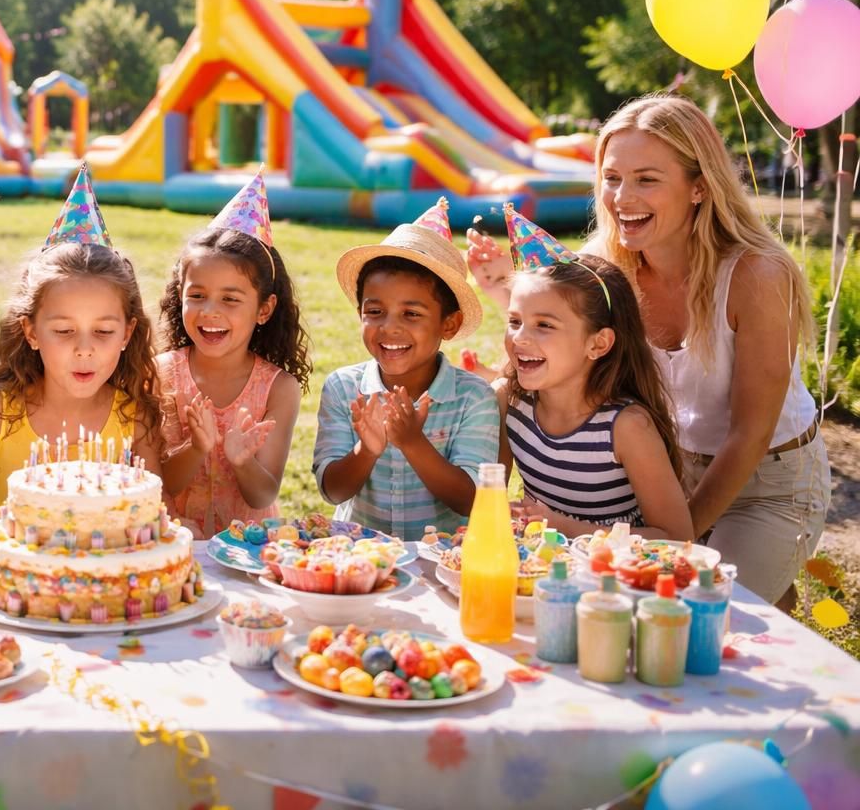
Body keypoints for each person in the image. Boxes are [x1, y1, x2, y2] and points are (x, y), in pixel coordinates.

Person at [467, 94, 830, 607]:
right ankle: (764, 585)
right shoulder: (603, 265)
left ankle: (761, 578)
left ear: (699, 186)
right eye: (612, 178)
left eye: (647, 179)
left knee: (700, 605)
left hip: (768, 480)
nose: (621, 198)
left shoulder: (757, 276)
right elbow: (556, 339)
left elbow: (751, 432)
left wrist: (683, 541)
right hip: (666, 469)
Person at [0, 170, 162, 536]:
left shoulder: (135, 418)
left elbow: (152, 509)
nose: (84, 349)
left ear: (127, 333)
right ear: (31, 332)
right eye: (64, 331)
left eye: (102, 331)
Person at [497, 206, 692, 541]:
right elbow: (489, 493)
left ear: (598, 344)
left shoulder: (626, 427)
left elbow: (676, 536)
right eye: (515, 321)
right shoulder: (509, 402)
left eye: (544, 325)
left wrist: (563, 528)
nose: (520, 338)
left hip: (615, 582)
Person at [313, 198, 500, 538]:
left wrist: (412, 442)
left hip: (441, 562)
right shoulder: (343, 388)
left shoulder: (474, 398)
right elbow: (333, 491)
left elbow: (473, 500)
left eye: (411, 314)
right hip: (360, 557)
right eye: (374, 312)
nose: (390, 327)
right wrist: (366, 450)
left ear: (450, 324)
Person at [154, 173, 308, 538]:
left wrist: (242, 461)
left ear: (264, 309)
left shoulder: (279, 389)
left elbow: (263, 494)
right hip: (178, 541)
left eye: (230, 299)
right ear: (180, 296)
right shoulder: (161, 374)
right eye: (197, 295)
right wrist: (195, 448)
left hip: (249, 547)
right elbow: (163, 484)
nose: (210, 311)